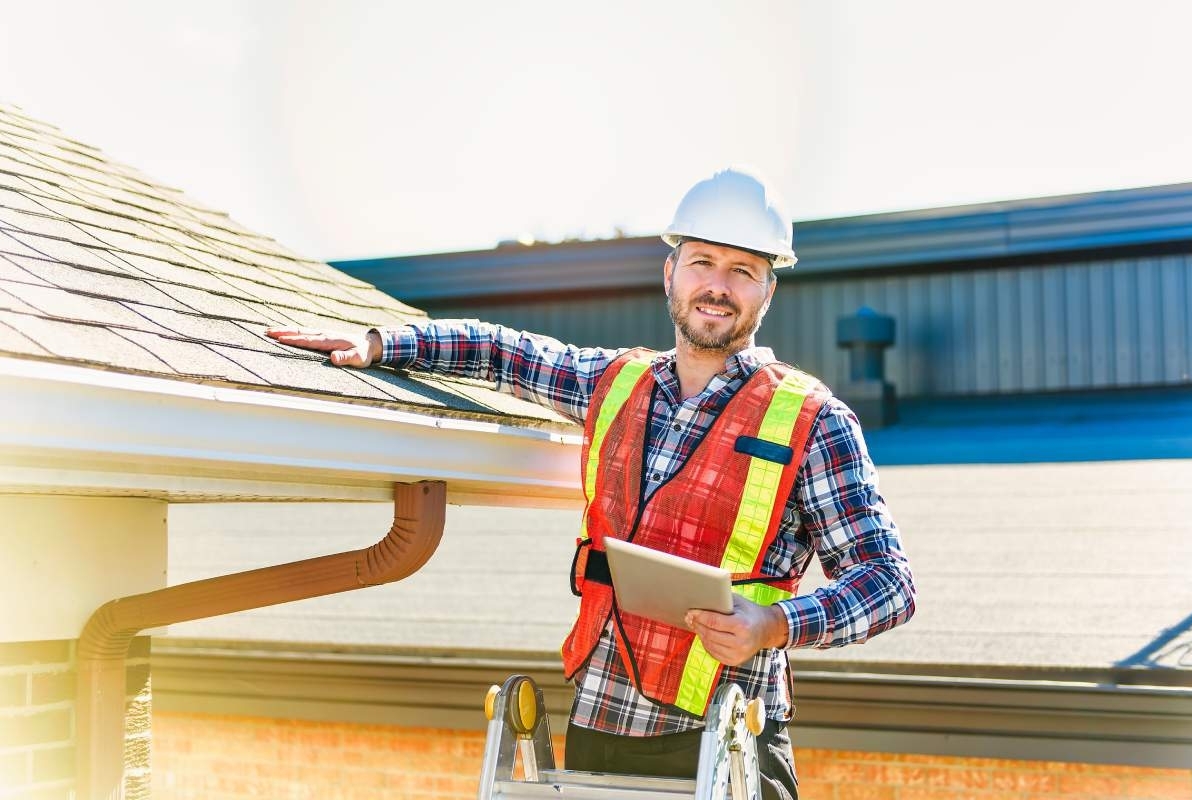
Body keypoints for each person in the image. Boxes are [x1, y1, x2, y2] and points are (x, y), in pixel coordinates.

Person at [267, 167, 916, 800]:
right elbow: (501, 353)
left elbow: (889, 583)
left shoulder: (811, 421)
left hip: (725, 743)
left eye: (742, 270)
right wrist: (383, 342)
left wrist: (774, 623)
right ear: (670, 273)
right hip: (598, 725)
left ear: (767, 291)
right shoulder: (615, 384)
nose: (717, 286)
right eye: (702, 262)